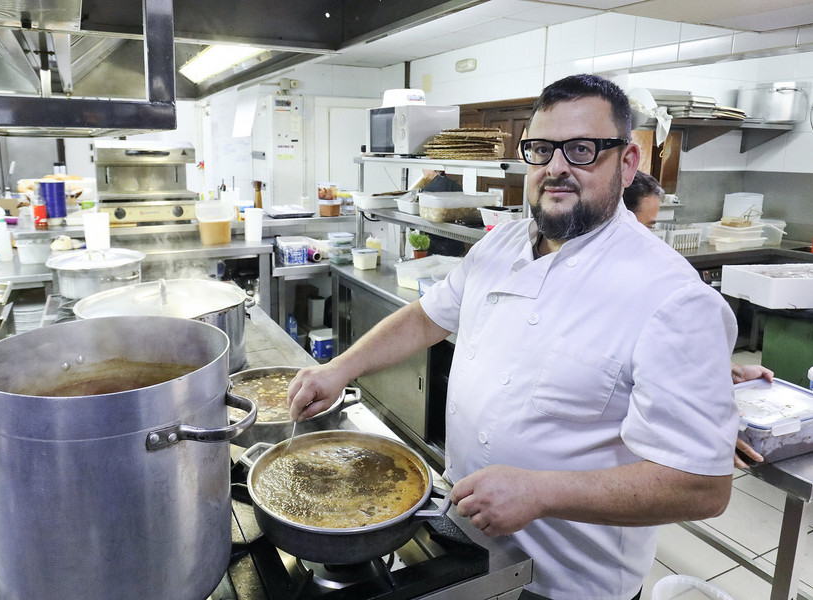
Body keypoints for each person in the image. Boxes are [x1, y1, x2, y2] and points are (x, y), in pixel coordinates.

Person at [288, 74, 740, 600]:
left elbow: (702, 486)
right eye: (542, 149)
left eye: (582, 150)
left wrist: (541, 491)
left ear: (628, 161)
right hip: (465, 535)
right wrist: (339, 369)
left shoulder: (671, 297)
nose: (556, 168)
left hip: (569, 581)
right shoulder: (501, 245)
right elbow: (426, 317)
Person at [623, 174, 775, 468]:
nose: (648, 237)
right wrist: (702, 434)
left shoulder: (661, 275)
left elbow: (668, 353)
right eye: (646, 226)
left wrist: (725, 371)